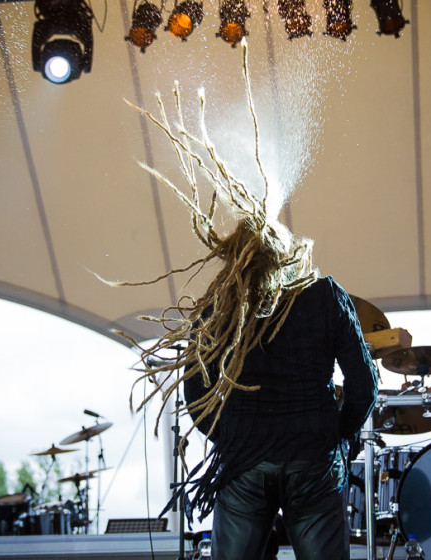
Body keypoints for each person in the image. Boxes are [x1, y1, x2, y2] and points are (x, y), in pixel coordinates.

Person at [111, 70, 378, 559]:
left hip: (244, 461)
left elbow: (195, 390)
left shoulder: (221, 303)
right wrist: (334, 435)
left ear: (236, 255)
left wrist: (232, 435)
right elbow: (364, 384)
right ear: (286, 250)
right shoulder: (326, 294)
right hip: (312, 459)